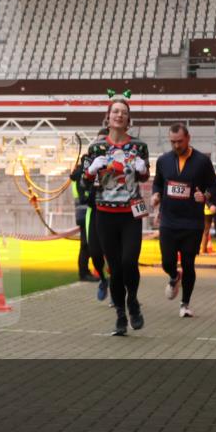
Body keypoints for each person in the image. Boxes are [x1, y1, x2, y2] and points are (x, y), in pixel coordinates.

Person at [83, 91, 151, 336]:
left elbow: (144, 175)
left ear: (128, 118)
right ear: (108, 117)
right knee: (115, 266)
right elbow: (84, 181)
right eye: (115, 112)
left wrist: (144, 170)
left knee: (129, 261)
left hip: (131, 212)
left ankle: (132, 300)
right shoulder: (96, 147)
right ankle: (121, 314)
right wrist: (91, 170)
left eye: (124, 112)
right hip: (105, 213)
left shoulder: (139, 146)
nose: (119, 115)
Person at [151, 123, 216, 318]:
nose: (176, 145)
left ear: (188, 138)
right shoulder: (163, 161)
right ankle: (174, 276)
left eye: (179, 141)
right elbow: (158, 183)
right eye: (172, 142)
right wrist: (156, 195)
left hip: (192, 223)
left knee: (189, 263)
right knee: (167, 261)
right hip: (169, 221)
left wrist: (205, 196)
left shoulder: (201, 161)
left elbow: (214, 187)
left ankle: (185, 304)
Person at [70, 128, 110, 301]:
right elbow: (75, 176)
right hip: (88, 211)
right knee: (88, 245)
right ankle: (90, 274)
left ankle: (105, 279)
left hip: (107, 211)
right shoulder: (88, 161)